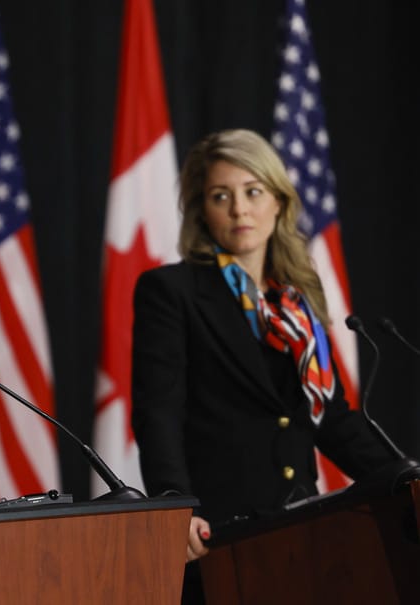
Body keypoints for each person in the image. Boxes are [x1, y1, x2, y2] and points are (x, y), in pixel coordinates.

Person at [129, 128, 410, 603]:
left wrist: (404, 478)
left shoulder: (297, 301)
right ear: (203, 210)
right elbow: (159, 413)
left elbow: (333, 419)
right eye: (222, 196)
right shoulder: (170, 292)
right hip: (219, 532)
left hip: (304, 526)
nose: (239, 209)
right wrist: (172, 508)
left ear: (278, 202)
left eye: (252, 192)